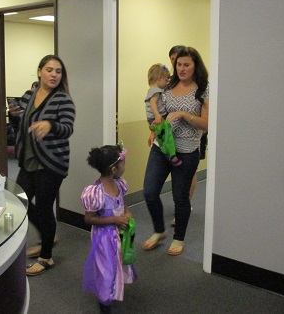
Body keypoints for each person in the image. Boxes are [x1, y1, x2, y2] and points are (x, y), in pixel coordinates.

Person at [8, 55, 75, 276]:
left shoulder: (63, 100)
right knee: (19, 200)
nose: (54, 74)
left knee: (45, 207)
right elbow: (22, 124)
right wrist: (15, 116)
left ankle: (46, 257)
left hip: (52, 162)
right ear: (39, 72)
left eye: (58, 71)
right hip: (28, 160)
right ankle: (49, 235)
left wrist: (51, 124)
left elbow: (67, 128)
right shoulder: (29, 96)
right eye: (49, 70)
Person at [142, 46, 209, 255]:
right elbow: (156, 109)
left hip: (187, 151)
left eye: (186, 64)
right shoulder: (168, 85)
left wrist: (182, 113)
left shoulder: (203, 88)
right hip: (161, 147)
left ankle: (178, 238)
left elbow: (206, 123)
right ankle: (159, 230)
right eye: (178, 64)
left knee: (180, 197)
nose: (181, 68)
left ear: (195, 65)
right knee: (150, 192)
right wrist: (153, 126)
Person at [81, 143, 137, 313]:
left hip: (120, 234)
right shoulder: (95, 192)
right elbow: (89, 218)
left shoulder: (119, 185)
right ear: (113, 169)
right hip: (104, 238)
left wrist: (127, 213)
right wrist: (114, 219)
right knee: (106, 269)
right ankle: (104, 301)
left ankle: (113, 288)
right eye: (123, 165)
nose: (124, 168)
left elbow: (122, 204)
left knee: (117, 263)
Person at [145, 63, 181, 166]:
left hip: (155, 117)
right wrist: (157, 115)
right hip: (158, 116)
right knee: (166, 135)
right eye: (166, 80)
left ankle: (168, 153)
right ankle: (170, 155)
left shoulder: (154, 90)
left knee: (162, 135)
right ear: (159, 78)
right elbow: (153, 103)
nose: (167, 83)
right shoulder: (155, 90)